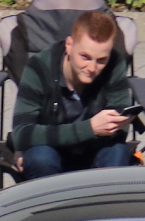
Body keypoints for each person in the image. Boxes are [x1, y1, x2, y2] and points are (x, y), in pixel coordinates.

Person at [9, 10, 138, 176]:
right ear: (69, 45)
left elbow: (119, 131)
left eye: (101, 60)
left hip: (93, 152)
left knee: (118, 151)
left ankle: (105, 201)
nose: (92, 68)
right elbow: (22, 133)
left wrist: (121, 121)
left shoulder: (114, 64)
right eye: (85, 57)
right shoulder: (39, 67)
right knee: (41, 157)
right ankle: (54, 203)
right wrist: (89, 129)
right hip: (50, 152)